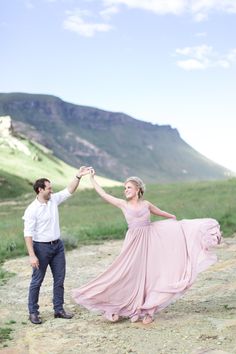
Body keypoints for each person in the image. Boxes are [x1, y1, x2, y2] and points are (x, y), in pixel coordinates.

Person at [73, 170, 221, 325]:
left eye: (129, 187)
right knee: (126, 272)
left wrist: (173, 220)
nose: (126, 190)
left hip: (150, 240)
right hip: (133, 243)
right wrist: (92, 178)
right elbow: (104, 194)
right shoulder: (123, 204)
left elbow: (160, 212)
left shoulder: (146, 204)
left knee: (150, 274)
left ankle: (148, 310)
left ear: (138, 189)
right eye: (125, 188)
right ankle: (116, 306)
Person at [23, 166, 91, 324]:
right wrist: (32, 255)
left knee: (59, 279)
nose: (51, 191)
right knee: (37, 281)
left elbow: (69, 190)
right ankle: (33, 312)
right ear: (40, 190)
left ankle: (58, 310)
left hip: (57, 246)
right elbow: (28, 234)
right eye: (49, 188)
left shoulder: (53, 200)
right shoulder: (32, 210)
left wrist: (78, 176)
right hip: (41, 248)